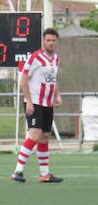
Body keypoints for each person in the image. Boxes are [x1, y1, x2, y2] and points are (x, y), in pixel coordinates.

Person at [11, 28, 63, 183]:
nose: (51, 43)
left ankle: (44, 174)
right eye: (48, 40)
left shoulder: (55, 59)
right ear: (43, 41)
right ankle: (17, 172)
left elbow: (52, 79)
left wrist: (57, 94)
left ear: (57, 41)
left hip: (47, 104)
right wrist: (29, 102)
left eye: (53, 40)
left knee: (45, 137)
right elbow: (24, 82)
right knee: (34, 135)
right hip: (34, 103)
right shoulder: (35, 58)